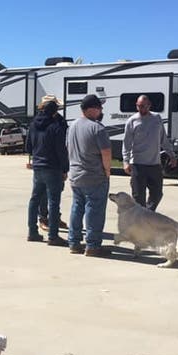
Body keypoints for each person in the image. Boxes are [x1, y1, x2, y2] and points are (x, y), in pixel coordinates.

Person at [66, 94, 112, 257]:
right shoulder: (97, 128)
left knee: (77, 208)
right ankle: (92, 245)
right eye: (99, 108)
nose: (101, 111)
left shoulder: (72, 126)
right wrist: (107, 171)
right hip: (94, 176)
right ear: (92, 109)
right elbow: (106, 152)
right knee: (95, 210)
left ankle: (74, 242)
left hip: (76, 175)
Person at [26, 96, 69, 245]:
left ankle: (32, 231)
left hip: (38, 166)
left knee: (35, 199)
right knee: (53, 201)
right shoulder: (55, 127)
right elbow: (61, 150)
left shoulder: (33, 125)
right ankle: (53, 236)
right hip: (53, 167)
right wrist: (65, 168)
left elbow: (28, 147)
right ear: (54, 112)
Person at [122, 94, 175, 211]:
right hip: (137, 165)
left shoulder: (157, 118)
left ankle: (148, 214)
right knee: (138, 196)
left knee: (157, 194)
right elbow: (126, 143)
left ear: (149, 106)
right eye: (139, 106)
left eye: (144, 106)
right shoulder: (132, 121)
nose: (141, 109)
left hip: (154, 164)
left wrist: (171, 154)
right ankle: (140, 220)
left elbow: (163, 138)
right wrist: (125, 161)